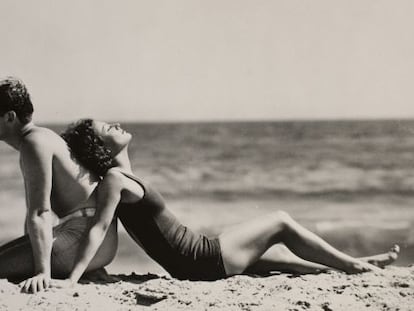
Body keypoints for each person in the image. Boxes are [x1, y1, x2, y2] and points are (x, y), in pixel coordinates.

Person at [52, 118, 399, 286]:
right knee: (279, 220)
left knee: (276, 256)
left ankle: (347, 266)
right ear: (102, 148)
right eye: (106, 128)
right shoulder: (114, 180)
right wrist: (72, 279)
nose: (115, 124)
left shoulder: (121, 177)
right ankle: (354, 267)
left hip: (196, 257)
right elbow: (97, 230)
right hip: (200, 260)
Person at [0, 78, 118, 293]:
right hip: (95, 244)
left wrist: (41, 272)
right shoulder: (43, 137)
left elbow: (40, 212)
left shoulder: (33, 143)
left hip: (81, 239)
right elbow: (33, 215)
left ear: (10, 117)